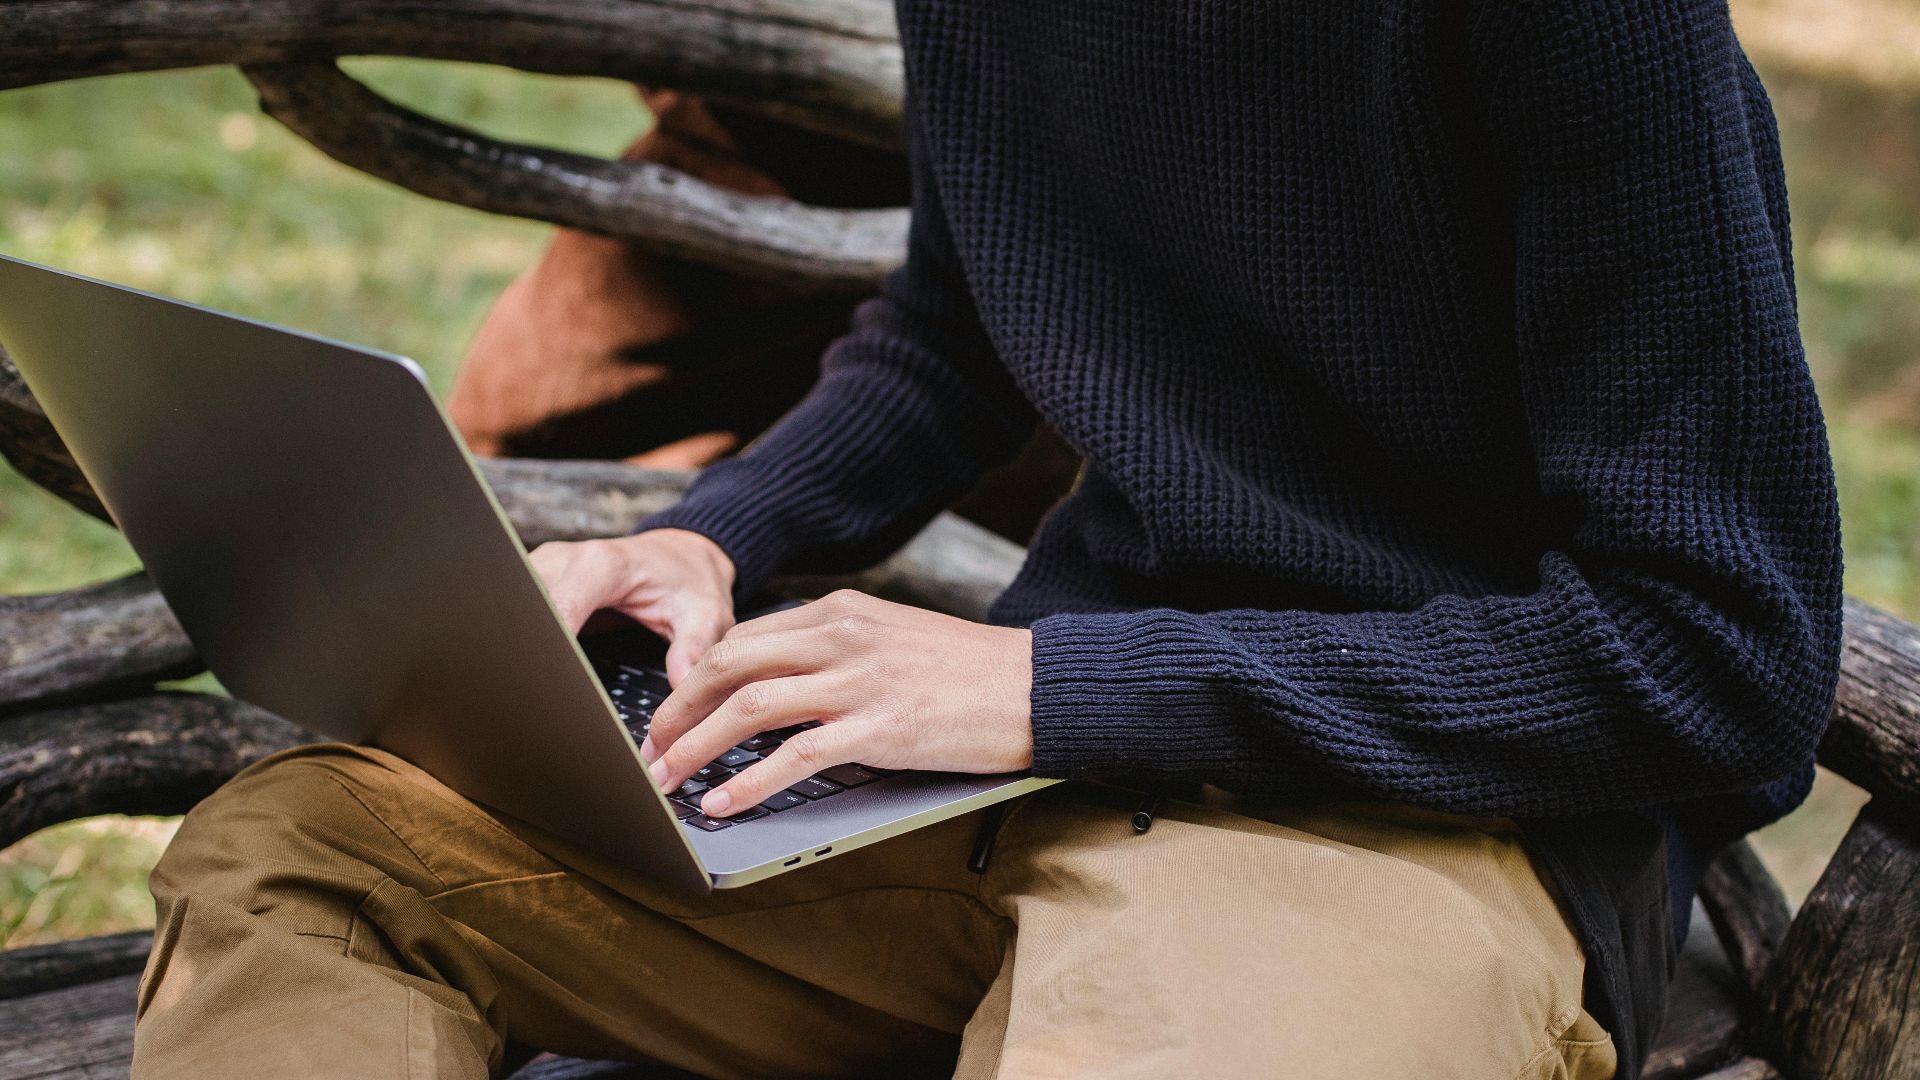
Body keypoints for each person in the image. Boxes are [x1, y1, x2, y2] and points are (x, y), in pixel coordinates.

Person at [132, 2, 1843, 1078]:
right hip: (1004, 802)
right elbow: (963, 326)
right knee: (306, 855)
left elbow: (1715, 659)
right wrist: (721, 537)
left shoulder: (1600, 34)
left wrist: (1056, 683)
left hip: (1406, 842)